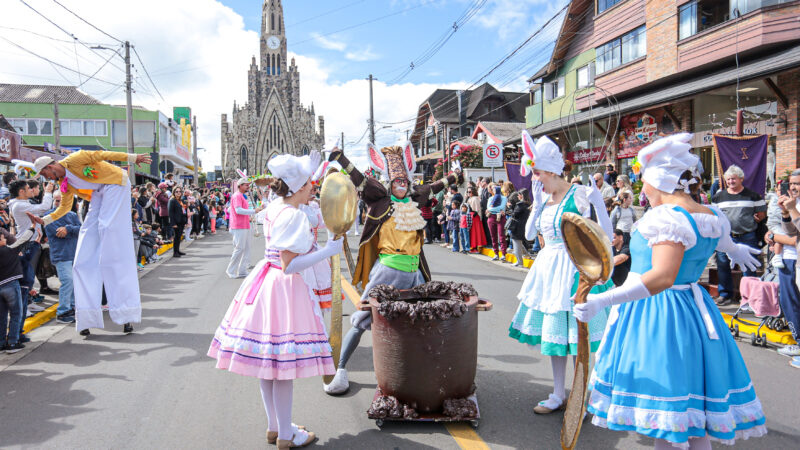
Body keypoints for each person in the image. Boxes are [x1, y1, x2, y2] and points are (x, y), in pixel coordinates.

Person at [576, 133, 766, 449]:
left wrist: (604, 298)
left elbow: (662, 277)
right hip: (695, 311)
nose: (643, 191)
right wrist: (735, 250)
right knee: (693, 418)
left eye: (645, 184)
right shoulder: (711, 214)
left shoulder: (667, 218)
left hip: (659, 313)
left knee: (667, 415)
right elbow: (722, 242)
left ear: (659, 182)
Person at [208, 152, 339, 448]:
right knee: (281, 368)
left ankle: (275, 426)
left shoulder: (275, 207)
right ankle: (285, 435)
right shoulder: (292, 215)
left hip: (265, 282)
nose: (313, 189)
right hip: (284, 287)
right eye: (309, 185)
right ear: (299, 187)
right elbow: (289, 264)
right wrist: (329, 252)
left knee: (269, 365)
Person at [324, 141, 461, 394]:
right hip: (388, 271)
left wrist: (454, 176)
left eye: (404, 182)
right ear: (390, 183)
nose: (401, 185)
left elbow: (434, 187)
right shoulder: (381, 200)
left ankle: (422, 370)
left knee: (423, 319)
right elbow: (360, 180)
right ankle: (340, 370)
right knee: (363, 320)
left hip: (415, 273)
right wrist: (340, 158)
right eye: (396, 182)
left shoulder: (415, 199)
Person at [510, 131, 614, 414]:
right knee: (555, 338)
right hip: (548, 272)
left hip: (575, 268)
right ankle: (557, 393)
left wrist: (599, 204)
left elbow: (606, 234)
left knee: (581, 336)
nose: (536, 179)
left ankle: (586, 392)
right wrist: (536, 204)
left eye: (539, 174)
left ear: (552, 172)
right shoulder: (542, 198)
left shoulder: (579, 194)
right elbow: (530, 235)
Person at [30, 151, 151, 334]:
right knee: (83, 259)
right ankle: (87, 317)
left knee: (107, 229)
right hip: (99, 194)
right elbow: (64, 207)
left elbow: (102, 154)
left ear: (49, 167)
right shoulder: (65, 183)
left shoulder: (74, 159)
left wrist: (133, 158)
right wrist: (45, 220)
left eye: (44, 174)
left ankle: (125, 313)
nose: (45, 178)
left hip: (116, 183)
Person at [712, 165, 766, 306]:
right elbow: (713, 216)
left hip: (747, 236)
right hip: (725, 237)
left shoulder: (752, 195)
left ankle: (750, 298)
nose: (730, 182)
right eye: (728, 179)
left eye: (733, 179)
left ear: (741, 179)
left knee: (748, 267)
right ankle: (725, 295)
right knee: (723, 266)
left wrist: (758, 217)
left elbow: (762, 214)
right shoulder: (718, 197)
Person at [8, 179, 53, 342]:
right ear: (21, 192)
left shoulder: (19, 203)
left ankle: (17, 333)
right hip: (26, 247)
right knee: (23, 289)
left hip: (29, 245)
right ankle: (16, 335)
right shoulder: (19, 205)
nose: (31, 191)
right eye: (28, 189)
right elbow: (44, 207)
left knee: (25, 288)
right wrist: (48, 191)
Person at [43, 192, 80, 324]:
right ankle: (63, 312)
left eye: (60, 201)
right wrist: (71, 230)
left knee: (74, 282)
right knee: (68, 281)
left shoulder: (72, 214)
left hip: (74, 254)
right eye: (56, 200)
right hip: (61, 255)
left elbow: (81, 230)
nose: (58, 203)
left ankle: (72, 308)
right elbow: (58, 233)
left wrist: (68, 229)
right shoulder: (49, 216)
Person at [775, 170, 800, 357]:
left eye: (797, 184)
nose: (793, 187)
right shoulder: (795, 202)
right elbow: (792, 233)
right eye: (791, 183)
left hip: (794, 258)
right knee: (788, 299)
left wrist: (791, 210)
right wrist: (785, 212)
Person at [226, 177, 264, 278]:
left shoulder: (242, 196)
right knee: (239, 248)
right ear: (240, 186)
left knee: (247, 248)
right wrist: (253, 211)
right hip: (238, 226)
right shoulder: (237, 196)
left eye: (248, 185)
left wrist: (250, 215)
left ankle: (242, 270)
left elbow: (233, 209)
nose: (248, 186)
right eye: (246, 185)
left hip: (245, 224)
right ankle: (231, 270)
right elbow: (238, 210)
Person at [0, 228, 30, 353]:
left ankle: (1, 343)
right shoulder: (9, 250)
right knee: (16, 313)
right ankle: (13, 342)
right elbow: (24, 239)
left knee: (1, 316)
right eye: (2, 238)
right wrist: (33, 227)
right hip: (11, 285)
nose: (5, 239)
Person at [508, 189, 531, 267]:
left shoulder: (520, 204)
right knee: (519, 243)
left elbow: (514, 214)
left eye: (519, 194)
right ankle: (527, 254)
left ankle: (519, 262)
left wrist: (510, 207)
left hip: (516, 225)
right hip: (523, 225)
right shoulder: (528, 204)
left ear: (522, 195)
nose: (517, 196)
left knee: (516, 243)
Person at [486, 185, 508, 261]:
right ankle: (496, 253)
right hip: (491, 217)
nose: (494, 191)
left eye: (495, 189)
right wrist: (492, 209)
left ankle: (503, 254)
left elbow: (501, 207)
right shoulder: (490, 198)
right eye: (493, 190)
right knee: (493, 236)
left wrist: (492, 208)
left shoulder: (504, 198)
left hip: (500, 217)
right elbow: (488, 208)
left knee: (502, 236)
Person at [168, 187, 188, 258]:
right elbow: (170, 213)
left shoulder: (181, 200)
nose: (178, 193)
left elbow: (184, 211)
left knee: (179, 237)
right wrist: (173, 223)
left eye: (179, 191)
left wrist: (186, 221)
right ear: (174, 192)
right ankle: (175, 252)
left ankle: (178, 250)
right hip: (176, 222)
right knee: (176, 237)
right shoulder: (172, 200)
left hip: (181, 221)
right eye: (176, 191)